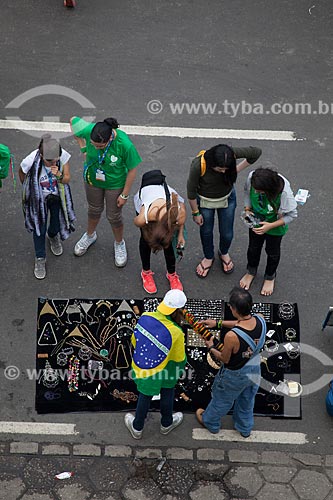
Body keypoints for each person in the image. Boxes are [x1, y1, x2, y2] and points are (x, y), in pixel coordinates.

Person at [70, 116, 142, 267]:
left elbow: (132, 170)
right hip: (92, 179)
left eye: (100, 146)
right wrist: (83, 147)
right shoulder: (89, 130)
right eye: (93, 145)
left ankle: (119, 243)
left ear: (109, 139)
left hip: (115, 184)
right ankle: (90, 235)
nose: (96, 148)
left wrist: (124, 194)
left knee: (114, 216)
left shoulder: (124, 145)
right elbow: (72, 120)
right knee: (94, 209)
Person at [196, 287, 267, 437]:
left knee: (222, 400)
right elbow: (242, 324)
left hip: (235, 375)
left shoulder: (231, 337)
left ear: (233, 309)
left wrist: (210, 347)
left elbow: (224, 359)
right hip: (254, 368)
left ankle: (210, 422)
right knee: (247, 399)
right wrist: (218, 323)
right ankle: (244, 427)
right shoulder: (260, 318)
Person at [187, 144, 262, 278]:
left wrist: (236, 169)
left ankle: (223, 252)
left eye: (226, 169)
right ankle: (208, 257)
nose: (223, 172)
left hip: (227, 199)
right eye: (220, 169)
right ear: (211, 163)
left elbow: (256, 152)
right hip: (205, 202)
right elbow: (191, 192)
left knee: (227, 233)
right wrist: (195, 213)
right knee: (206, 231)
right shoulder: (199, 165)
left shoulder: (229, 155)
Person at [124, 289, 187, 439]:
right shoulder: (176, 332)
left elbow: (134, 341)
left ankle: (137, 427)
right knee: (167, 393)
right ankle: (166, 424)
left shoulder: (145, 316)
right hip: (167, 368)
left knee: (144, 396)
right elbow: (179, 358)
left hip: (145, 369)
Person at [19, 134, 75, 280]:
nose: (52, 163)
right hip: (39, 200)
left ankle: (53, 236)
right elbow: (22, 172)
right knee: (39, 228)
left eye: (55, 159)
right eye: (48, 161)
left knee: (56, 223)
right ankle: (40, 258)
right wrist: (29, 189)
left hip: (57, 197)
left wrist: (59, 175)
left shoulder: (62, 156)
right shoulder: (31, 159)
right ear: (41, 154)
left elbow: (67, 179)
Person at [239, 167, 298, 296]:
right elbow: (247, 192)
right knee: (253, 248)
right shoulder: (252, 178)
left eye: (259, 191)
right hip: (257, 221)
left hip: (275, 225)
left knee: (273, 252)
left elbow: (292, 215)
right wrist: (248, 208)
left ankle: (270, 276)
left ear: (269, 190)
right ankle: (251, 271)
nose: (255, 191)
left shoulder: (284, 194)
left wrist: (270, 226)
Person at [133, 170, 186, 294]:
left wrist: (180, 235)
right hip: (148, 202)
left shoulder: (178, 214)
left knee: (169, 246)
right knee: (145, 241)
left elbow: (181, 223)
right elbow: (136, 222)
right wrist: (147, 228)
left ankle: (172, 274)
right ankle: (145, 272)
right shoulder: (143, 217)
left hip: (168, 203)